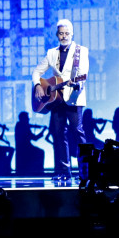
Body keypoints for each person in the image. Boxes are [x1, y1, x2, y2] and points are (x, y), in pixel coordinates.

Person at [31, 19, 90, 183]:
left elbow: (83, 74)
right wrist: (38, 85)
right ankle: (64, 171)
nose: (64, 36)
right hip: (56, 100)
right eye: (61, 33)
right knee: (58, 134)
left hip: (74, 98)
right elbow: (36, 72)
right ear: (57, 35)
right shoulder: (51, 53)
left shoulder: (81, 51)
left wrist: (77, 83)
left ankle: (85, 172)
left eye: (67, 33)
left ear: (72, 34)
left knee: (78, 133)